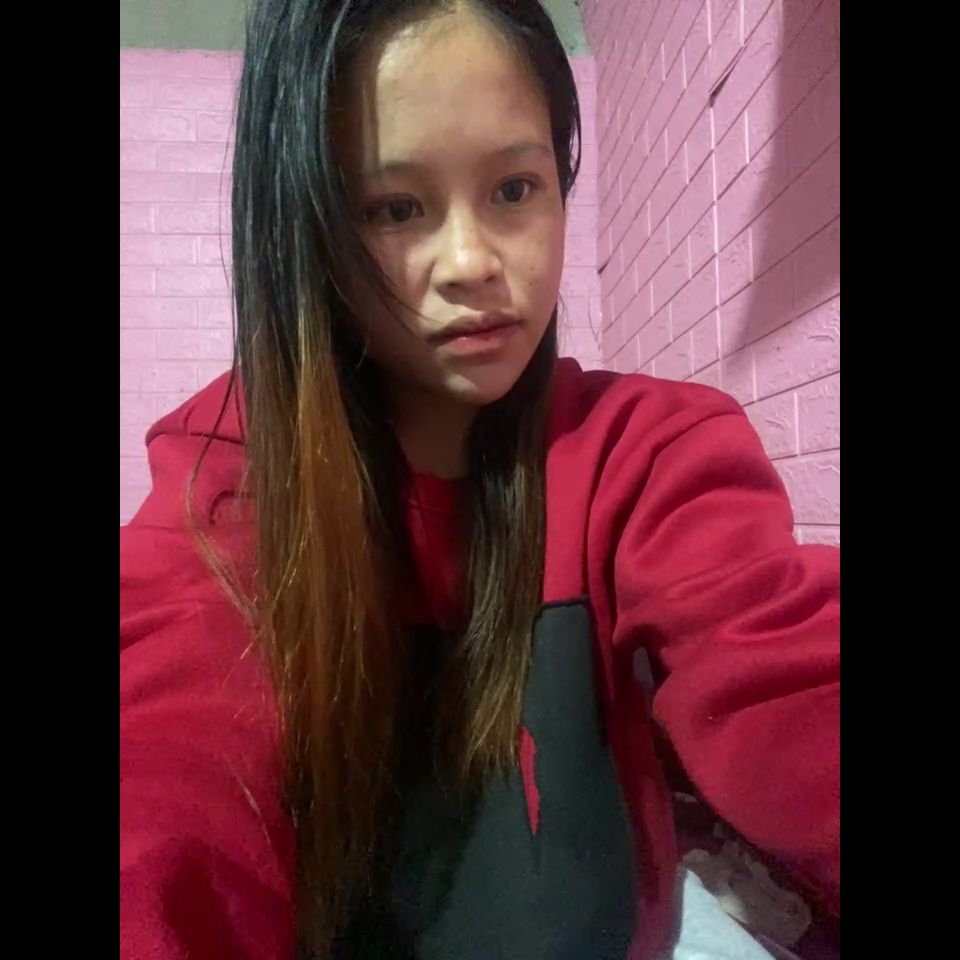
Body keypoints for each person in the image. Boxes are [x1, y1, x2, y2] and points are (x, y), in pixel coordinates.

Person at [119, 2, 840, 958]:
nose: (472, 263)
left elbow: (784, 679)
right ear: (309, 230)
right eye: (396, 208)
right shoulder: (230, 469)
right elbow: (163, 782)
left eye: (514, 188)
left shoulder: (647, 450)